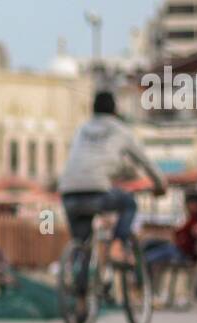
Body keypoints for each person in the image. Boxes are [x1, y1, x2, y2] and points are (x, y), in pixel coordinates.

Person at [58, 89, 168, 265]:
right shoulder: (121, 130)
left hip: (68, 194)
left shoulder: (81, 129)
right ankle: (118, 245)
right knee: (128, 204)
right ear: (114, 110)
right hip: (97, 193)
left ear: (92, 110)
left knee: (83, 245)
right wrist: (161, 184)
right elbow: (145, 162)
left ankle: (78, 286)